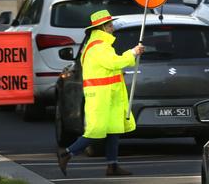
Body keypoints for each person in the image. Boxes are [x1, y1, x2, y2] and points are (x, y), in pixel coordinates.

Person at [56, 10, 145, 177]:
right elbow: (113, 63)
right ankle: (67, 153)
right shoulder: (99, 46)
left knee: (113, 129)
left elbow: (107, 68)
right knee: (96, 131)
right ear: (102, 27)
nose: (112, 28)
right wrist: (133, 52)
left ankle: (112, 166)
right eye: (110, 25)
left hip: (107, 95)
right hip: (101, 96)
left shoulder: (98, 45)